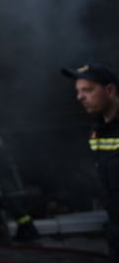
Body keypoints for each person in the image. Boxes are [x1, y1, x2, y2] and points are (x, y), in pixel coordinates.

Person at [62, 63, 119, 261]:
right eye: (78, 91)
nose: (80, 97)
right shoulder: (98, 131)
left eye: (87, 90)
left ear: (110, 90)